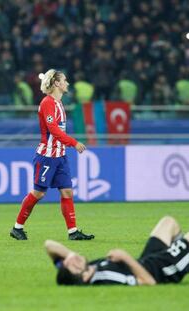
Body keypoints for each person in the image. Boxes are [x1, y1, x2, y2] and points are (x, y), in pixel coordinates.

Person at [10, 69, 94, 241]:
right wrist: (74, 143)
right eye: (64, 80)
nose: (67, 83)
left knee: (67, 192)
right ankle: (17, 228)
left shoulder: (59, 103)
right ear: (56, 83)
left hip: (60, 156)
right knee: (39, 193)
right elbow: (54, 130)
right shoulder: (47, 102)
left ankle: (73, 232)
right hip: (47, 156)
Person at [46, 216, 189, 285]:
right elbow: (149, 282)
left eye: (67, 262)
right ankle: (180, 259)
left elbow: (49, 245)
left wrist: (70, 255)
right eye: (72, 265)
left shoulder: (86, 268)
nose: (72, 260)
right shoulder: (107, 278)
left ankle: (181, 252)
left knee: (168, 222)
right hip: (163, 269)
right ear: (83, 277)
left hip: (146, 260)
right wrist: (125, 257)